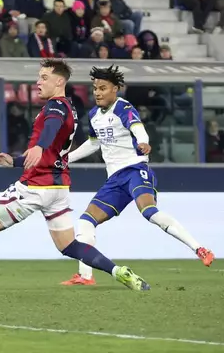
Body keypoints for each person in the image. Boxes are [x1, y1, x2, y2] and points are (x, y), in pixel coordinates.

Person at [0, 59, 150, 292]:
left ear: (59, 81)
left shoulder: (56, 107)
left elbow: (50, 131)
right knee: (68, 245)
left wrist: (39, 146)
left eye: (44, 77)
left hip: (36, 185)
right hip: (58, 189)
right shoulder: (68, 106)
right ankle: (118, 271)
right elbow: (51, 151)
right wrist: (16, 161)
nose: (38, 82)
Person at [60, 65, 215, 286]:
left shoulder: (124, 107)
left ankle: (199, 248)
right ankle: (85, 276)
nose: (98, 93)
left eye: (103, 88)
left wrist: (144, 142)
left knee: (149, 212)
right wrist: (67, 159)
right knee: (86, 221)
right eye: (95, 88)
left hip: (134, 169)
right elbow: (94, 143)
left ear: (116, 89)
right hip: (114, 179)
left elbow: (137, 127)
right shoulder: (94, 115)